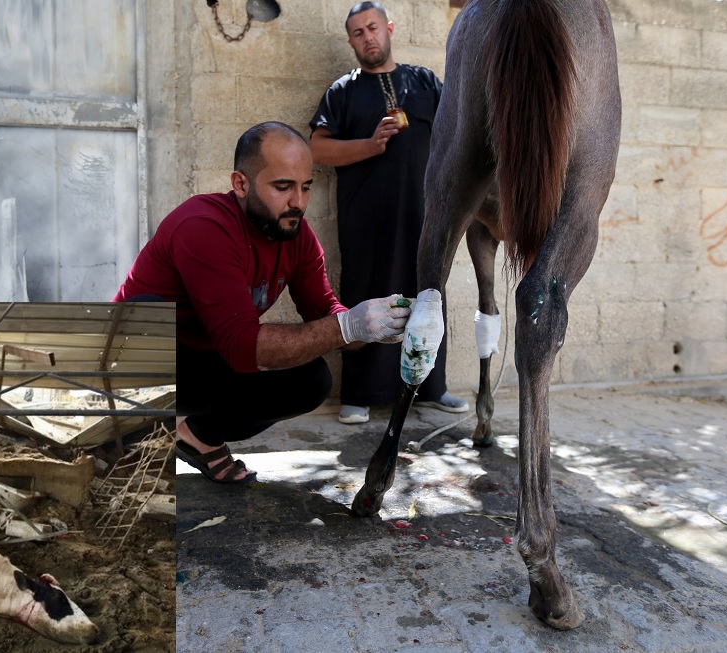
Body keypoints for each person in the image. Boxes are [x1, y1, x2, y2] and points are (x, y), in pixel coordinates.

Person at [113, 121, 411, 483]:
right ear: (240, 184)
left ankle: (199, 437)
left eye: (305, 187)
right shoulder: (203, 226)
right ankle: (122, 431)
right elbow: (242, 347)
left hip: (207, 356)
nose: (298, 203)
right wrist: (346, 328)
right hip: (141, 365)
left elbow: (325, 314)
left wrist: (378, 322)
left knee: (311, 380)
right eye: (282, 187)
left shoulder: (296, 235)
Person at [310, 1, 468, 424]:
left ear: (389, 28)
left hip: (426, 213)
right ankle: (359, 394)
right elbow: (316, 148)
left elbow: (456, 132)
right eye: (358, 32)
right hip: (366, 220)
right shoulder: (344, 91)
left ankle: (432, 388)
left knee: (429, 294)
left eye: (373, 27)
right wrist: (370, 145)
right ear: (351, 41)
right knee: (365, 294)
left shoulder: (424, 81)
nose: (368, 37)